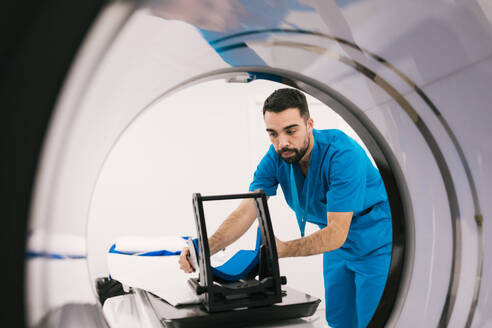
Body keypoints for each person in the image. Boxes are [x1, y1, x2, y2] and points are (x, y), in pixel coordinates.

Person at [179, 88, 392, 328]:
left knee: (375, 322)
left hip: (375, 243)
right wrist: (204, 250)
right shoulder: (277, 156)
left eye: (291, 131)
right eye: (273, 134)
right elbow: (247, 210)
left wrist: (281, 250)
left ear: (309, 123)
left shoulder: (343, 156)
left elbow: (336, 234)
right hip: (337, 247)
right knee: (340, 321)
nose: (282, 143)